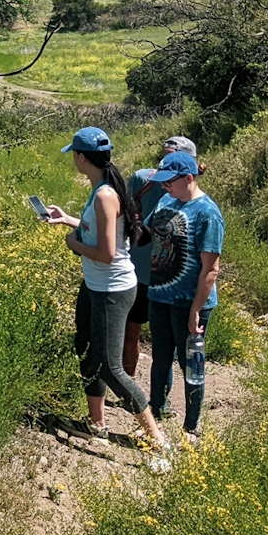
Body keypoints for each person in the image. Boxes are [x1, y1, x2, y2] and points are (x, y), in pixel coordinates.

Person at [45, 127, 171, 462]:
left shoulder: (104, 194)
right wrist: (68, 220)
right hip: (95, 286)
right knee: (86, 351)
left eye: (74, 153)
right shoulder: (103, 187)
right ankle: (96, 424)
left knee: (112, 368)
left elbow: (107, 253)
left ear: (81, 157)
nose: (74, 158)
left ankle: (156, 438)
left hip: (112, 290)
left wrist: (73, 245)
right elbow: (106, 231)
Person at [143, 150, 225, 446]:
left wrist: (196, 309)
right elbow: (145, 230)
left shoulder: (208, 214)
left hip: (189, 303)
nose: (165, 188)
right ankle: (156, 412)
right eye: (162, 182)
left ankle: (190, 428)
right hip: (160, 295)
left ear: (189, 179)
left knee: (191, 364)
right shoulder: (167, 200)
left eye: (170, 182)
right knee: (160, 358)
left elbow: (210, 269)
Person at [123, 136, 198, 385]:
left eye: (174, 159)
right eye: (164, 157)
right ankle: (128, 391)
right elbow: (126, 219)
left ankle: (164, 403)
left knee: (168, 344)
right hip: (140, 272)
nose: (166, 163)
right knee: (130, 331)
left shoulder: (195, 199)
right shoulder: (142, 180)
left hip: (171, 281)